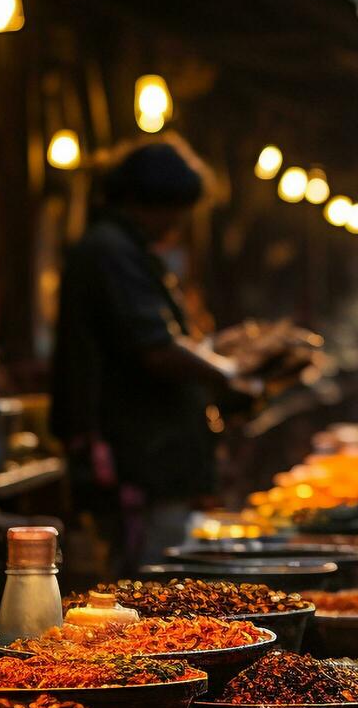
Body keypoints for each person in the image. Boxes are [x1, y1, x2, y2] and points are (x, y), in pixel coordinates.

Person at [50, 141, 257, 570]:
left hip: (148, 456)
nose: (179, 222)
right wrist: (230, 372)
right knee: (148, 578)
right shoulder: (111, 250)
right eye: (176, 209)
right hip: (138, 458)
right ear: (149, 200)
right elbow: (155, 348)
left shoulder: (125, 247)